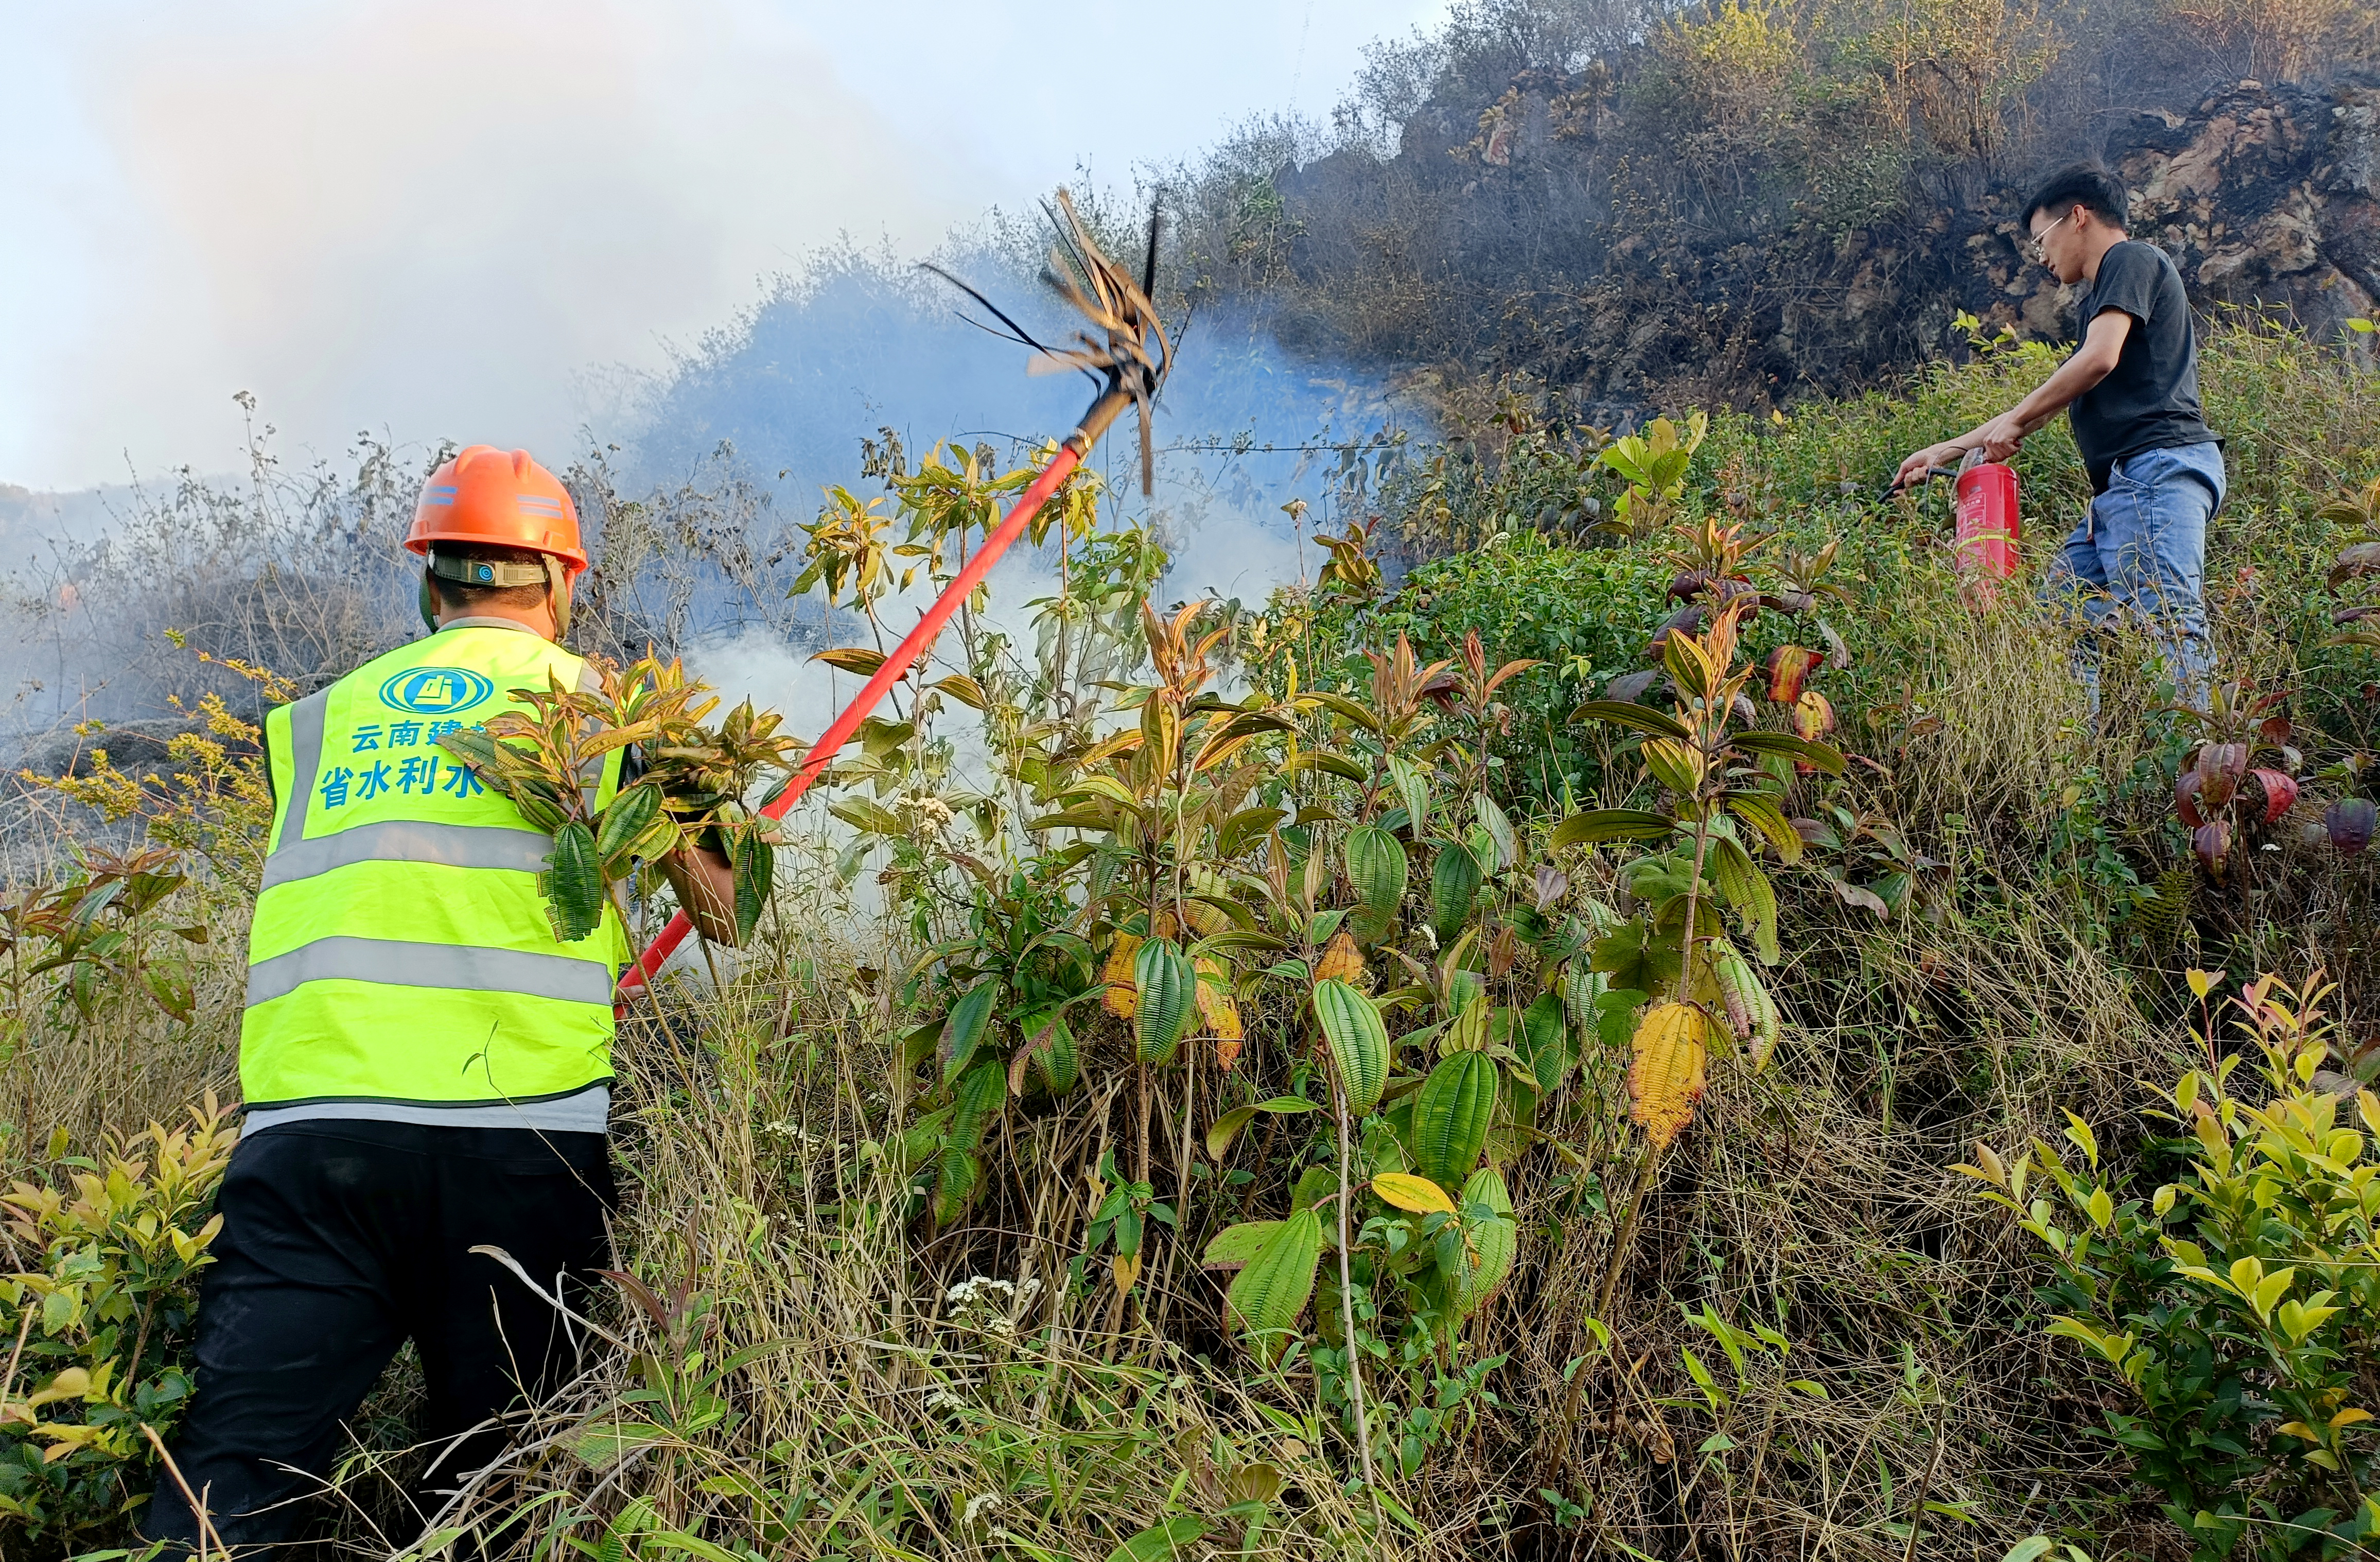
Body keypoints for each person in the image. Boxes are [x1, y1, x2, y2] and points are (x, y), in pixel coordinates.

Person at [145, 445, 741, 1555]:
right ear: (564, 583)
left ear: (428, 582)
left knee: (227, 1488)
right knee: (501, 1486)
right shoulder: (614, 714)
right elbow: (725, 914)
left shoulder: (316, 723)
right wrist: (702, 804)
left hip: (309, 1140)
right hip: (519, 1143)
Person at [1894, 162, 2225, 706]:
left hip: (2156, 470)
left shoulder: (2129, 259)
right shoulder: (2098, 302)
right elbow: (2053, 397)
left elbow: (2096, 361)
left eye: (2041, 239)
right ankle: (2075, 773)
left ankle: (2204, 782)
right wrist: (1942, 451)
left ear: (2078, 217)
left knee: (2166, 619)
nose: (2040, 256)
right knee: (2061, 620)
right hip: (2124, 488)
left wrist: (2017, 422)